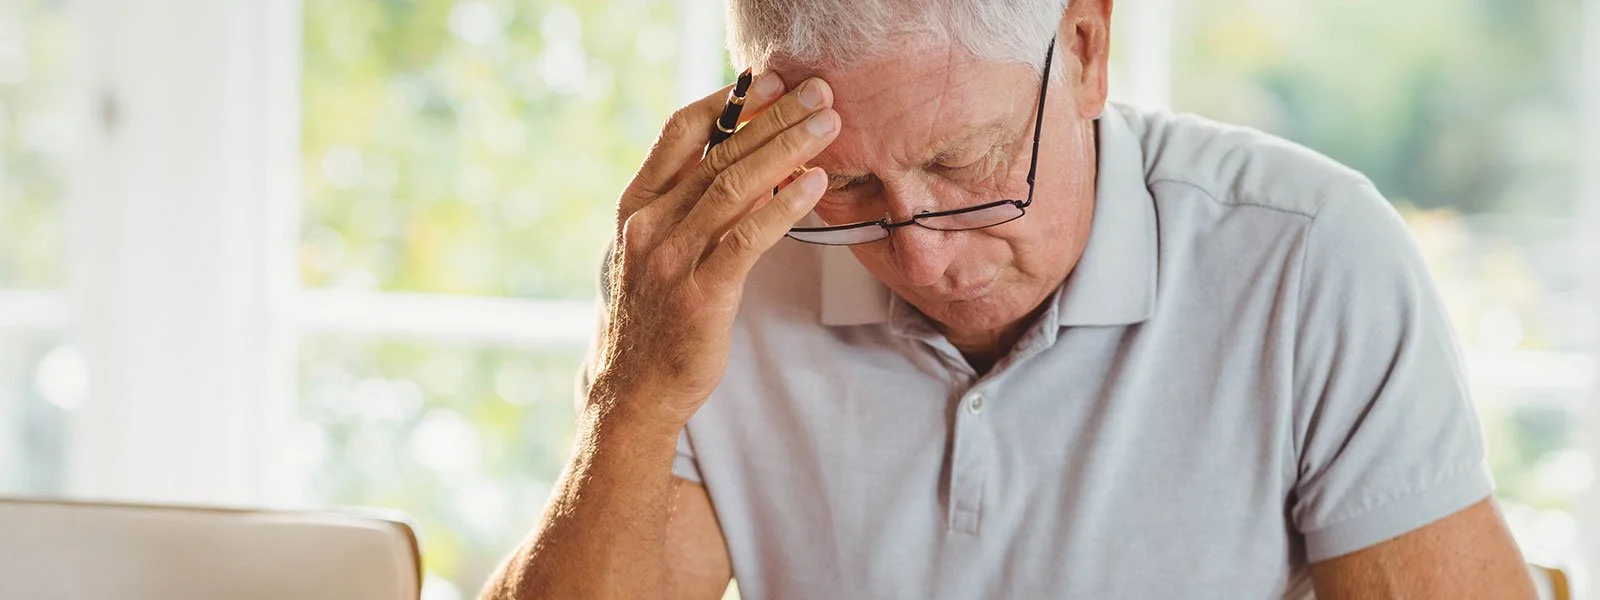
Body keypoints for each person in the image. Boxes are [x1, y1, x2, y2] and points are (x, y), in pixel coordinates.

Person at [483, 0, 1538, 598]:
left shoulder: (1307, 259)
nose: (925, 256)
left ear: (1084, 49)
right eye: (847, 186)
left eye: (970, 167)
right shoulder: (725, 272)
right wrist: (632, 392)